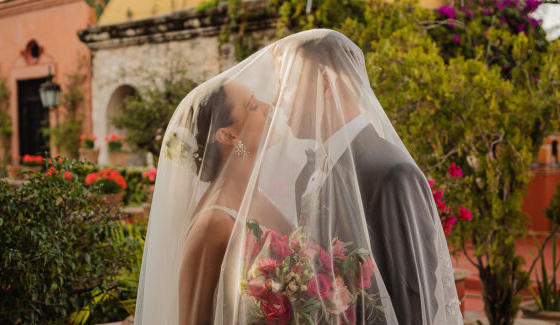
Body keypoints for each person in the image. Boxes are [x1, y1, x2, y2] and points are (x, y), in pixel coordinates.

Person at [134, 29, 461, 325]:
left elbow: (413, 303)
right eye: (253, 103)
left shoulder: (391, 174)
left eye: (286, 83)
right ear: (226, 135)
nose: (274, 101)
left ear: (325, 83)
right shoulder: (307, 175)